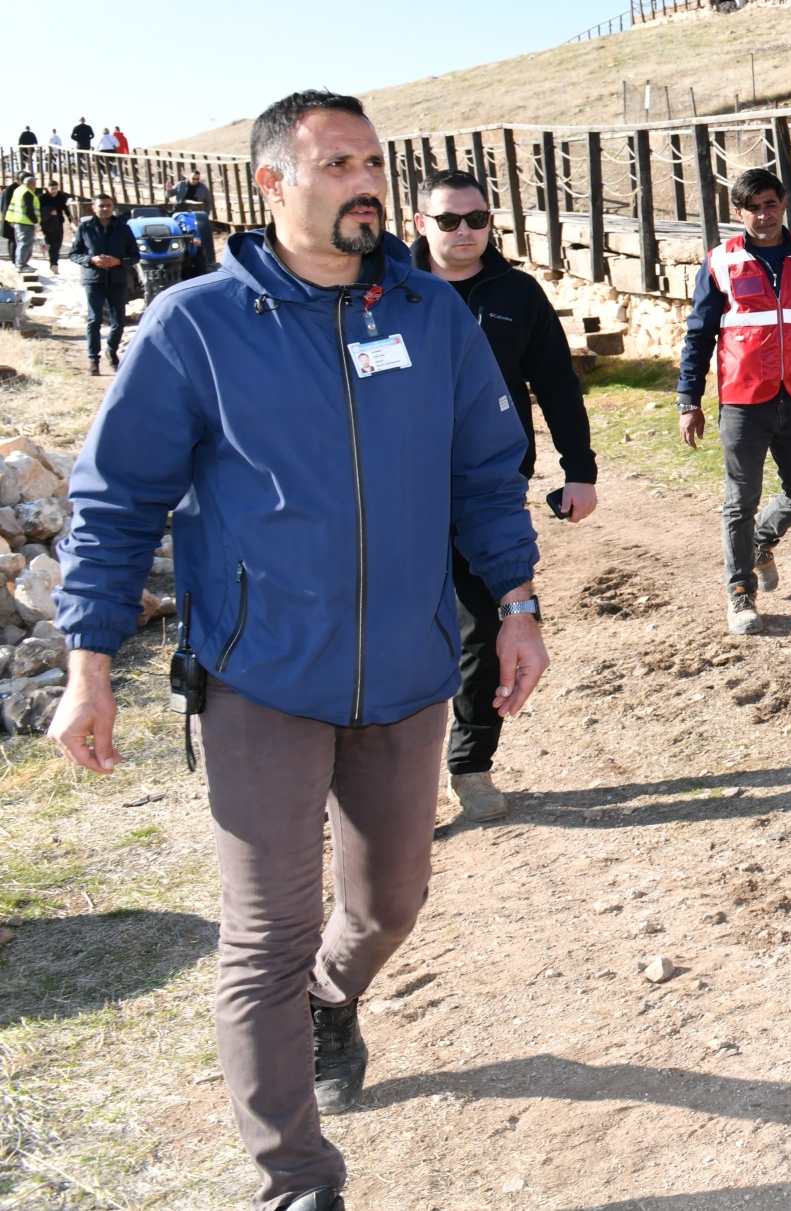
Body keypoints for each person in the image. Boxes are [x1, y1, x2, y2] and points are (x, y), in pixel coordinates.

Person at [49, 88, 544, 1211]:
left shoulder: (429, 316)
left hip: (409, 676)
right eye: (336, 163)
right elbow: (116, 500)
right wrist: (89, 664)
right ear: (273, 185)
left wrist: (516, 602)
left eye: (372, 160)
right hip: (261, 676)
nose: (363, 179)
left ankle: (336, 994)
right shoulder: (198, 326)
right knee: (265, 936)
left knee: (391, 904)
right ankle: (295, 1180)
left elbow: (483, 475)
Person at [411, 169, 598, 820]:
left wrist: (580, 469)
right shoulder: (385, 293)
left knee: (487, 625)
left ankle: (471, 765)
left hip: (489, 492)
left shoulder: (518, 293)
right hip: (400, 493)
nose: (465, 232)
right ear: (420, 225)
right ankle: (392, 784)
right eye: (448, 221)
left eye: (477, 219)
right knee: (401, 631)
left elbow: (556, 383)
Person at [677, 168, 791, 634]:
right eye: (753, 207)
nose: (764, 214)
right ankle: (740, 593)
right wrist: (688, 399)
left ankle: (761, 541)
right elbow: (699, 335)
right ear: (739, 213)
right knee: (740, 499)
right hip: (743, 400)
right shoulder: (720, 262)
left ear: (783, 205)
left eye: (771, 204)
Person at [65, 193, 137, 371]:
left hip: (118, 280)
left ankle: (111, 351)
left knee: (119, 322)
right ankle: (93, 360)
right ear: (93, 207)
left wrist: (118, 262)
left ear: (113, 207)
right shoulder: (85, 227)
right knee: (94, 320)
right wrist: (91, 260)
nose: (105, 209)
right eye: (101, 206)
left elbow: (135, 256)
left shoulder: (123, 229)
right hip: (94, 280)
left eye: (108, 205)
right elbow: (74, 254)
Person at [3, 175, 36, 269]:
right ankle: (21, 264)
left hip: (17, 219)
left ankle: (19, 262)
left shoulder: (18, 190)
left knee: (21, 243)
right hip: (25, 221)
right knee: (25, 243)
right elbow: (28, 209)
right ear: (31, 184)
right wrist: (35, 222)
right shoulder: (27, 193)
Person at [37, 182, 70, 269]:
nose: (54, 191)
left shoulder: (61, 197)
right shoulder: (42, 198)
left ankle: (54, 260)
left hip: (58, 222)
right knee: (51, 244)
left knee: (58, 243)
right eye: (52, 189)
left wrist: (70, 219)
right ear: (47, 188)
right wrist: (48, 212)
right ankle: (53, 264)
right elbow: (38, 211)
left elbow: (65, 208)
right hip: (47, 223)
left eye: (56, 189)